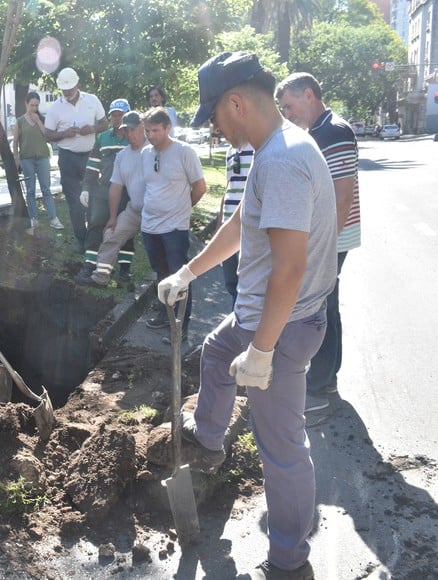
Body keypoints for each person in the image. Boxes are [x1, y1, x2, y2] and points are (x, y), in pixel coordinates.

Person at [157, 52, 337, 579]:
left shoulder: (282, 161)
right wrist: (188, 271)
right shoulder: (273, 149)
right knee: (215, 353)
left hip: (281, 327)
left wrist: (261, 352)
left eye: (214, 115)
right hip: (262, 317)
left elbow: (290, 268)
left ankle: (288, 562)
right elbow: (242, 224)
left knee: (281, 449)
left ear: (235, 103)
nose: (214, 128)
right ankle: (209, 438)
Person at [275, 72, 361, 415]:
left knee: (317, 307)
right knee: (327, 303)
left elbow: (342, 196)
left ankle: (319, 386)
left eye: (289, 105)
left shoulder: (333, 132)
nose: (287, 113)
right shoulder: (320, 130)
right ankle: (326, 378)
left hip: (331, 237)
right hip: (327, 236)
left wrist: (324, 245)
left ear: (309, 94)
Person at [140, 106, 206, 339]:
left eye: (155, 130)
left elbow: (200, 187)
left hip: (175, 228)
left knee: (179, 276)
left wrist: (182, 209)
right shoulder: (145, 153)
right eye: (147, 131)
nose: (150, 135)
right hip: (150, 226)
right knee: (161, 273)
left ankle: (181, 326)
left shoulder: (184, 152)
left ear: (168, 127)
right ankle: (164, 314)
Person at [44, 67, 109, 252]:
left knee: (93, 198)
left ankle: (94, 238)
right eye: (64, 90)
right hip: (68, 158)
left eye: (70, 89)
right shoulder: (55, 108)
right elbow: (47, 134)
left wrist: (92, 129)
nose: (67, 92)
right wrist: (64, 133)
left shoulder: (92, 100)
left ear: (78, 84)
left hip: (90, 157)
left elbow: (105, 123)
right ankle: (81, 240)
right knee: (74, 201)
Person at [75, 98, 133, 286]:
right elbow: (92, 166)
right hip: (103, 189)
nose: (117, 118)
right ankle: (89, 265)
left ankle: (125, 270)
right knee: (95, 224)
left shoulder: (134, 138)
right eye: (114, 115)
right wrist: (86, 189)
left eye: (120, 115)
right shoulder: (102, 138)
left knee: (125, 229)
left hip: (127, 191)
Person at [87, 110, 148, 287]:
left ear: (142, 127)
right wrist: (113, 217)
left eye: (133, 129)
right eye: (126, 130)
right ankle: (100, 276)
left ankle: (161, 282)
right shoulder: (122, 156)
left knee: (159, 247)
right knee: (111, 233)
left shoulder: (154, 150)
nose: (129, 134)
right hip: (134, 210)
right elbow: (116, 187)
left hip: (156, 211)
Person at [12, 91, 64, 233]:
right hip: (26, 158)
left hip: (42, 157)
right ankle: (34, 220)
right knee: (30, 190)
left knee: (46, 189)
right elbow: (15, 141)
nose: (34, 108)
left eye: (36, 105)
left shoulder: (42, 119)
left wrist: (38, 122)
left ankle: (54, 218)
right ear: (26, 104)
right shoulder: (20, 121)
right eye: (32, 105)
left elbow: (48, 137)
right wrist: (16, 158)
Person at [218, 143, 254, 307]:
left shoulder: (258, 147)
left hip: (249, 229)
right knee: (231, 284)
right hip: (228, 228)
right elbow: (229, 187)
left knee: (248, 287)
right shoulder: (231, 150)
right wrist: (220, 226)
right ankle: (236, 318)